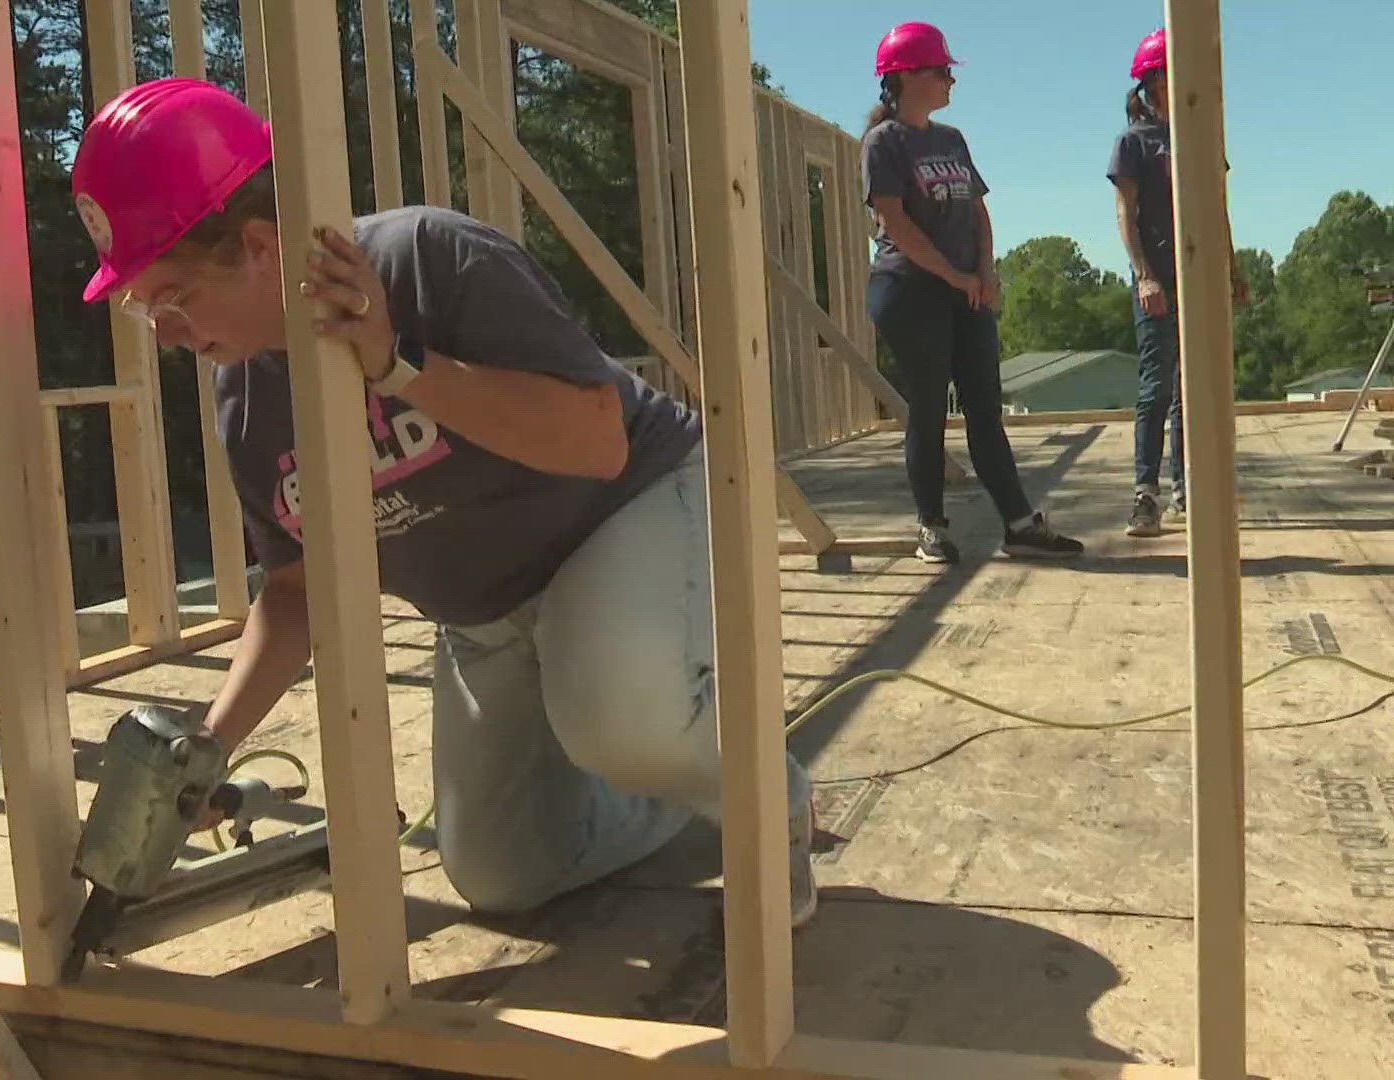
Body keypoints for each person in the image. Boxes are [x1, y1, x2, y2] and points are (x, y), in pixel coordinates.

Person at [68, 77, 818, 925]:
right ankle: (674, 787)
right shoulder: (244, 402)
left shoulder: (426, 259)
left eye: (172, 297)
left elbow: (599, 442)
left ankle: (765, 800)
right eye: (141, 308)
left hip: (626, 511)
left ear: (254, 245)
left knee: (619, 718)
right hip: (487, 614)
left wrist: (399, 366)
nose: (164, 331)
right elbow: (295, 588)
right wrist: (205, 750)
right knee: (502, 870)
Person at [860, 22, 1084, 565]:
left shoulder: (951, 139)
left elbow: (977, 210)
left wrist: (985, 271)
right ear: (908, 76)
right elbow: (897, 224)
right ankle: (931, 528)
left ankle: (1019, 524)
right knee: (930, 409)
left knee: (986, 408)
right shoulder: (883, 142)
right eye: (941, 71)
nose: (950, 81)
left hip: (967, 290)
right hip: (910, 291)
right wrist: (954, 277)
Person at [1109, 27, 1248, 537]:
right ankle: (1146, 494)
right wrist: (1145, 274)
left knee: (1194, 388)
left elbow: (1218, 207)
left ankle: (1190, 486)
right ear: (1154, 81)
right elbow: (1126, 210)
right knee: (1156, 384)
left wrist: (1232, 267)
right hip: (1160, 279)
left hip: (1203, 277)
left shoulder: (1203, 134)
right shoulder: (1134, 142)